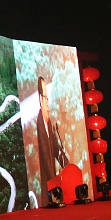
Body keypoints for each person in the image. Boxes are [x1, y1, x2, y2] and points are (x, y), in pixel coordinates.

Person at [36, 76, 69, 205]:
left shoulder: (49, 124)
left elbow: (56, 149)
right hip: (47, 189)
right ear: (40, 99)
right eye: (46, 98)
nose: (48, 103)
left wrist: (67, 166)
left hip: (53, 187)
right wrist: (54, 182)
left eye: (48, 99)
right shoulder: (39, 124)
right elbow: (45, 158)